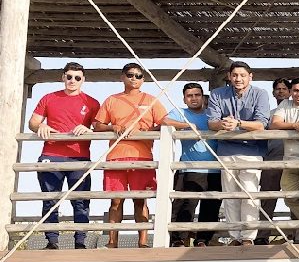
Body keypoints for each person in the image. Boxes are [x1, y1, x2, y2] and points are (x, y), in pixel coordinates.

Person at [93, 62, 168, 248]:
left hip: (142, 157)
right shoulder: (112, 100)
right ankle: (112, 242)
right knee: (115, 201)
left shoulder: (151, 100)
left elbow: (165, 123)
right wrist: (114, 126)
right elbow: (98, 125)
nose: (134, 78)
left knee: (140, 200)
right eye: (130, 75)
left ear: (143, 80)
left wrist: (144, 130)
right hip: (115, 157)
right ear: (122, 77)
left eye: (138, 76)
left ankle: (142, 243)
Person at [28, 62, 100, 250]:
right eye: (69, 77)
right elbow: (33, 122)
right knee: (50, 200)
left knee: (80, 200)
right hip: (51, 155)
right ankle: (52, 241)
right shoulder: (49, 98)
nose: (72, 81)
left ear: (83, 80)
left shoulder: (91, 102)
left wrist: (89, 130)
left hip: (79, 157)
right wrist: (41, 125)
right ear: (63, 77)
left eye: (77, 78)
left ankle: (80, 242)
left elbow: (99, 127)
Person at [206, 61, 272, 244]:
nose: (238, 79)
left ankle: (248, 237)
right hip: (226, 150)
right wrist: (223, 124)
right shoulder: (217, 94)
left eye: (243, 75)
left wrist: (239, 123)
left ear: (250, 77)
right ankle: (235, 236)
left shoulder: (260, 94)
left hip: (252, 151)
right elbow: (211, 123)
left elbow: (261, 124)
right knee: (230, 196)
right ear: (229, 76)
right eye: (235, 75)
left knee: (250, 195)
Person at [161, 83, 221, 247]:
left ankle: (202, 240)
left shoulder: (212, 114)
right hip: (190, 167)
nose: (194, 98)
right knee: (186, 205)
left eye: (197, 95)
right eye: (190, 96)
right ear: (184, 99)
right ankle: (178, 239)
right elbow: (164, 121)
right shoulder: (181, 113)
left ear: (203, 97)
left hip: (216, 169)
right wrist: (187, 125)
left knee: (211, 206)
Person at [269, 77, 299, 243]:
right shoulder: (285, 104)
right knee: (289, 197)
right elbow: (275, 124)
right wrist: (295, 125)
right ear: (291, 92)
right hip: (289, 160)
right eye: (295, 90)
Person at [256, 79, 291, 245]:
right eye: (278, 89)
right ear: (273, 93)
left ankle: (297, 235)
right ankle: (262, 235)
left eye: (284, 89)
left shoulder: (297, 113)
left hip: (294, 161)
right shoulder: (268, 114)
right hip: (271, 160)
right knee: (267, 199)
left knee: (295, 199)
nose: (281, 91)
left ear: (290, 92)